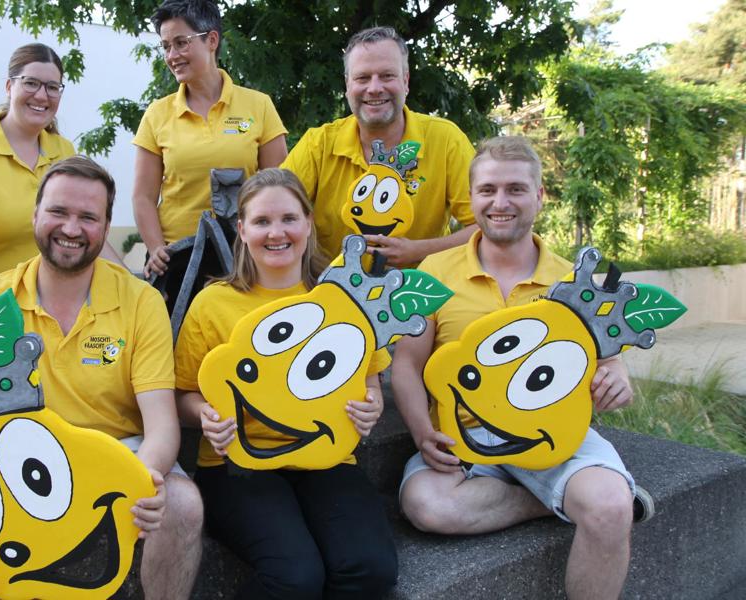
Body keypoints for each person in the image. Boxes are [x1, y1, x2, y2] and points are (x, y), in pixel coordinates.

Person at [0, 156, 203, 599]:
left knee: (181, 505)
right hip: (0, 452)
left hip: (114, 448)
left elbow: (160, 424)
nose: (71, 227)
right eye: (59, 212)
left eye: (88, 217)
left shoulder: (141, 300)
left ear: (106, 228)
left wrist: (144, 478)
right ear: (35, 215)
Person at [391, 136, 653, 600]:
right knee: (426, 505)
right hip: (464, 440)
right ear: (471, 199)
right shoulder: (432, 272)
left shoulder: (574, 282)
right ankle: (559, 501)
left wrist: (618, 379)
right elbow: (407, 367)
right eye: (488, 190)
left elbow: (610, 363)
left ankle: (601, 496)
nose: (500, 202)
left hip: (555, 437)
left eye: (515, 188)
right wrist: (419, 433)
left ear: (539, 195)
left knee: (610, 509)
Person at [175, 168, 398, 598]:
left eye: (288, 219)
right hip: (237, 465)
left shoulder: (341, 299)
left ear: (309, 223)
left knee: (370, 569)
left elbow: (370, 384)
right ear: (242, 230)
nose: (276, 233)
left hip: (328, 457)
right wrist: (204, 414)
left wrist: (372, 405)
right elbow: (184, 393)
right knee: (295, 577)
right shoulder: (213, 303)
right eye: (261, 222)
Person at [133, 0, 288, 309]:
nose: (172, 56)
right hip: (180, 261)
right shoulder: (157, 114)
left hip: (246, 257)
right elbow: (142, 196)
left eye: (180, 43)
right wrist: (156, 248)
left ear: (211, 40)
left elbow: (281, 188)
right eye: (165, 46)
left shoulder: (258, 105)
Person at [282, 26, 479, 267]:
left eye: (387, 76)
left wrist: (418, 250)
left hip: (419, 295)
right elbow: (273, 211)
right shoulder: (318, 144)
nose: (374, 88)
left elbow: (484, 226)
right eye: (362, 78)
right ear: (347, 85)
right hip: (329, 293)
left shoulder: (446, 139)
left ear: (405, 81)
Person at [0, 42, 124, 274]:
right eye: (30, 83)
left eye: (52, 87)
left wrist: (132, 283)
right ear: (9, 86)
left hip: (47, 304)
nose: (41, 95)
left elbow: (88, 230)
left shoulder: (64, 151)